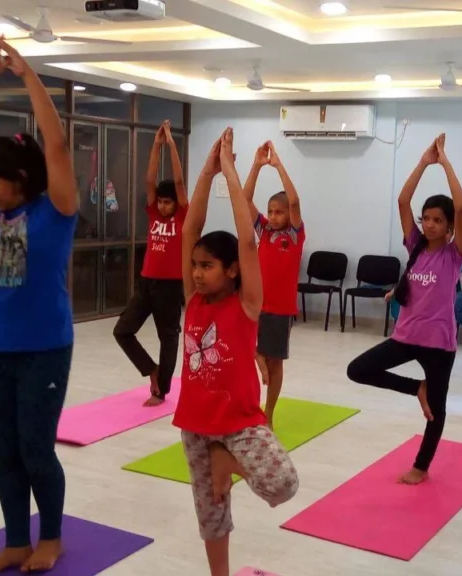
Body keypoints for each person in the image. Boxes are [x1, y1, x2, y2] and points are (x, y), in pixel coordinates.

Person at [0, 37, 78, 576]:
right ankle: (15, 541)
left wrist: (28, 74)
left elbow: (55, 146)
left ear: (21, 179)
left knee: (36, 448)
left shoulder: (55, 209)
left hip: (44, 351)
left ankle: (50, 538)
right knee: (1, 449)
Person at [175, 127, 299, 576]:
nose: (197, 273)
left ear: (231, 270)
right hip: (196, 423)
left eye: (207, 266)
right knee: (210, 514)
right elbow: (189, 230)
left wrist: (230, 171)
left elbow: (248, 241)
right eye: (195, 266)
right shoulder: (193, 300)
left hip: (240, 421)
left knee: (283, 483)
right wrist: (206, 173)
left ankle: (226, 460)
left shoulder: (247, 304)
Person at [346, 134, 462, 485]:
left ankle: (421, 466)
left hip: (439, 344)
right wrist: (423, 162)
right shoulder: (415, 245)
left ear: (449, 227)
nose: (429, 224)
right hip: (406, 337)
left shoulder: (453, 254)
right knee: (358, 369)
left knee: (437, 412)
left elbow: (461, 208)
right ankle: (417, 388)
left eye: (437, 220)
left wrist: (445, 163)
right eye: (425, 218)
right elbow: (402, 200)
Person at [114, 120, 188, 407]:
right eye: (161, 202)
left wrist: (171, 144)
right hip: (146, 282)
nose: (163, 206)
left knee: (168, 337)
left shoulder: (182, 216)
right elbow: (149, 180)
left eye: (169, 202)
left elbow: (179, 182)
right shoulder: (154, 214)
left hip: (170, 286)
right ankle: (151, 369)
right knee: (122, 331)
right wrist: (156, 145)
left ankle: (161, 390)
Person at [243, 140, 305, 427]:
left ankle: (268, 414)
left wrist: (279, 166)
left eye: (279, 212)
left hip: (280, 309)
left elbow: (294, 201)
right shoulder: (265, 231)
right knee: (249, 351)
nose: (274, 216)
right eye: (271, 211)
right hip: (256, 305)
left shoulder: (294, 235)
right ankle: (251, 398)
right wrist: (256, 166)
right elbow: (244, 198)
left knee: (275, 362)